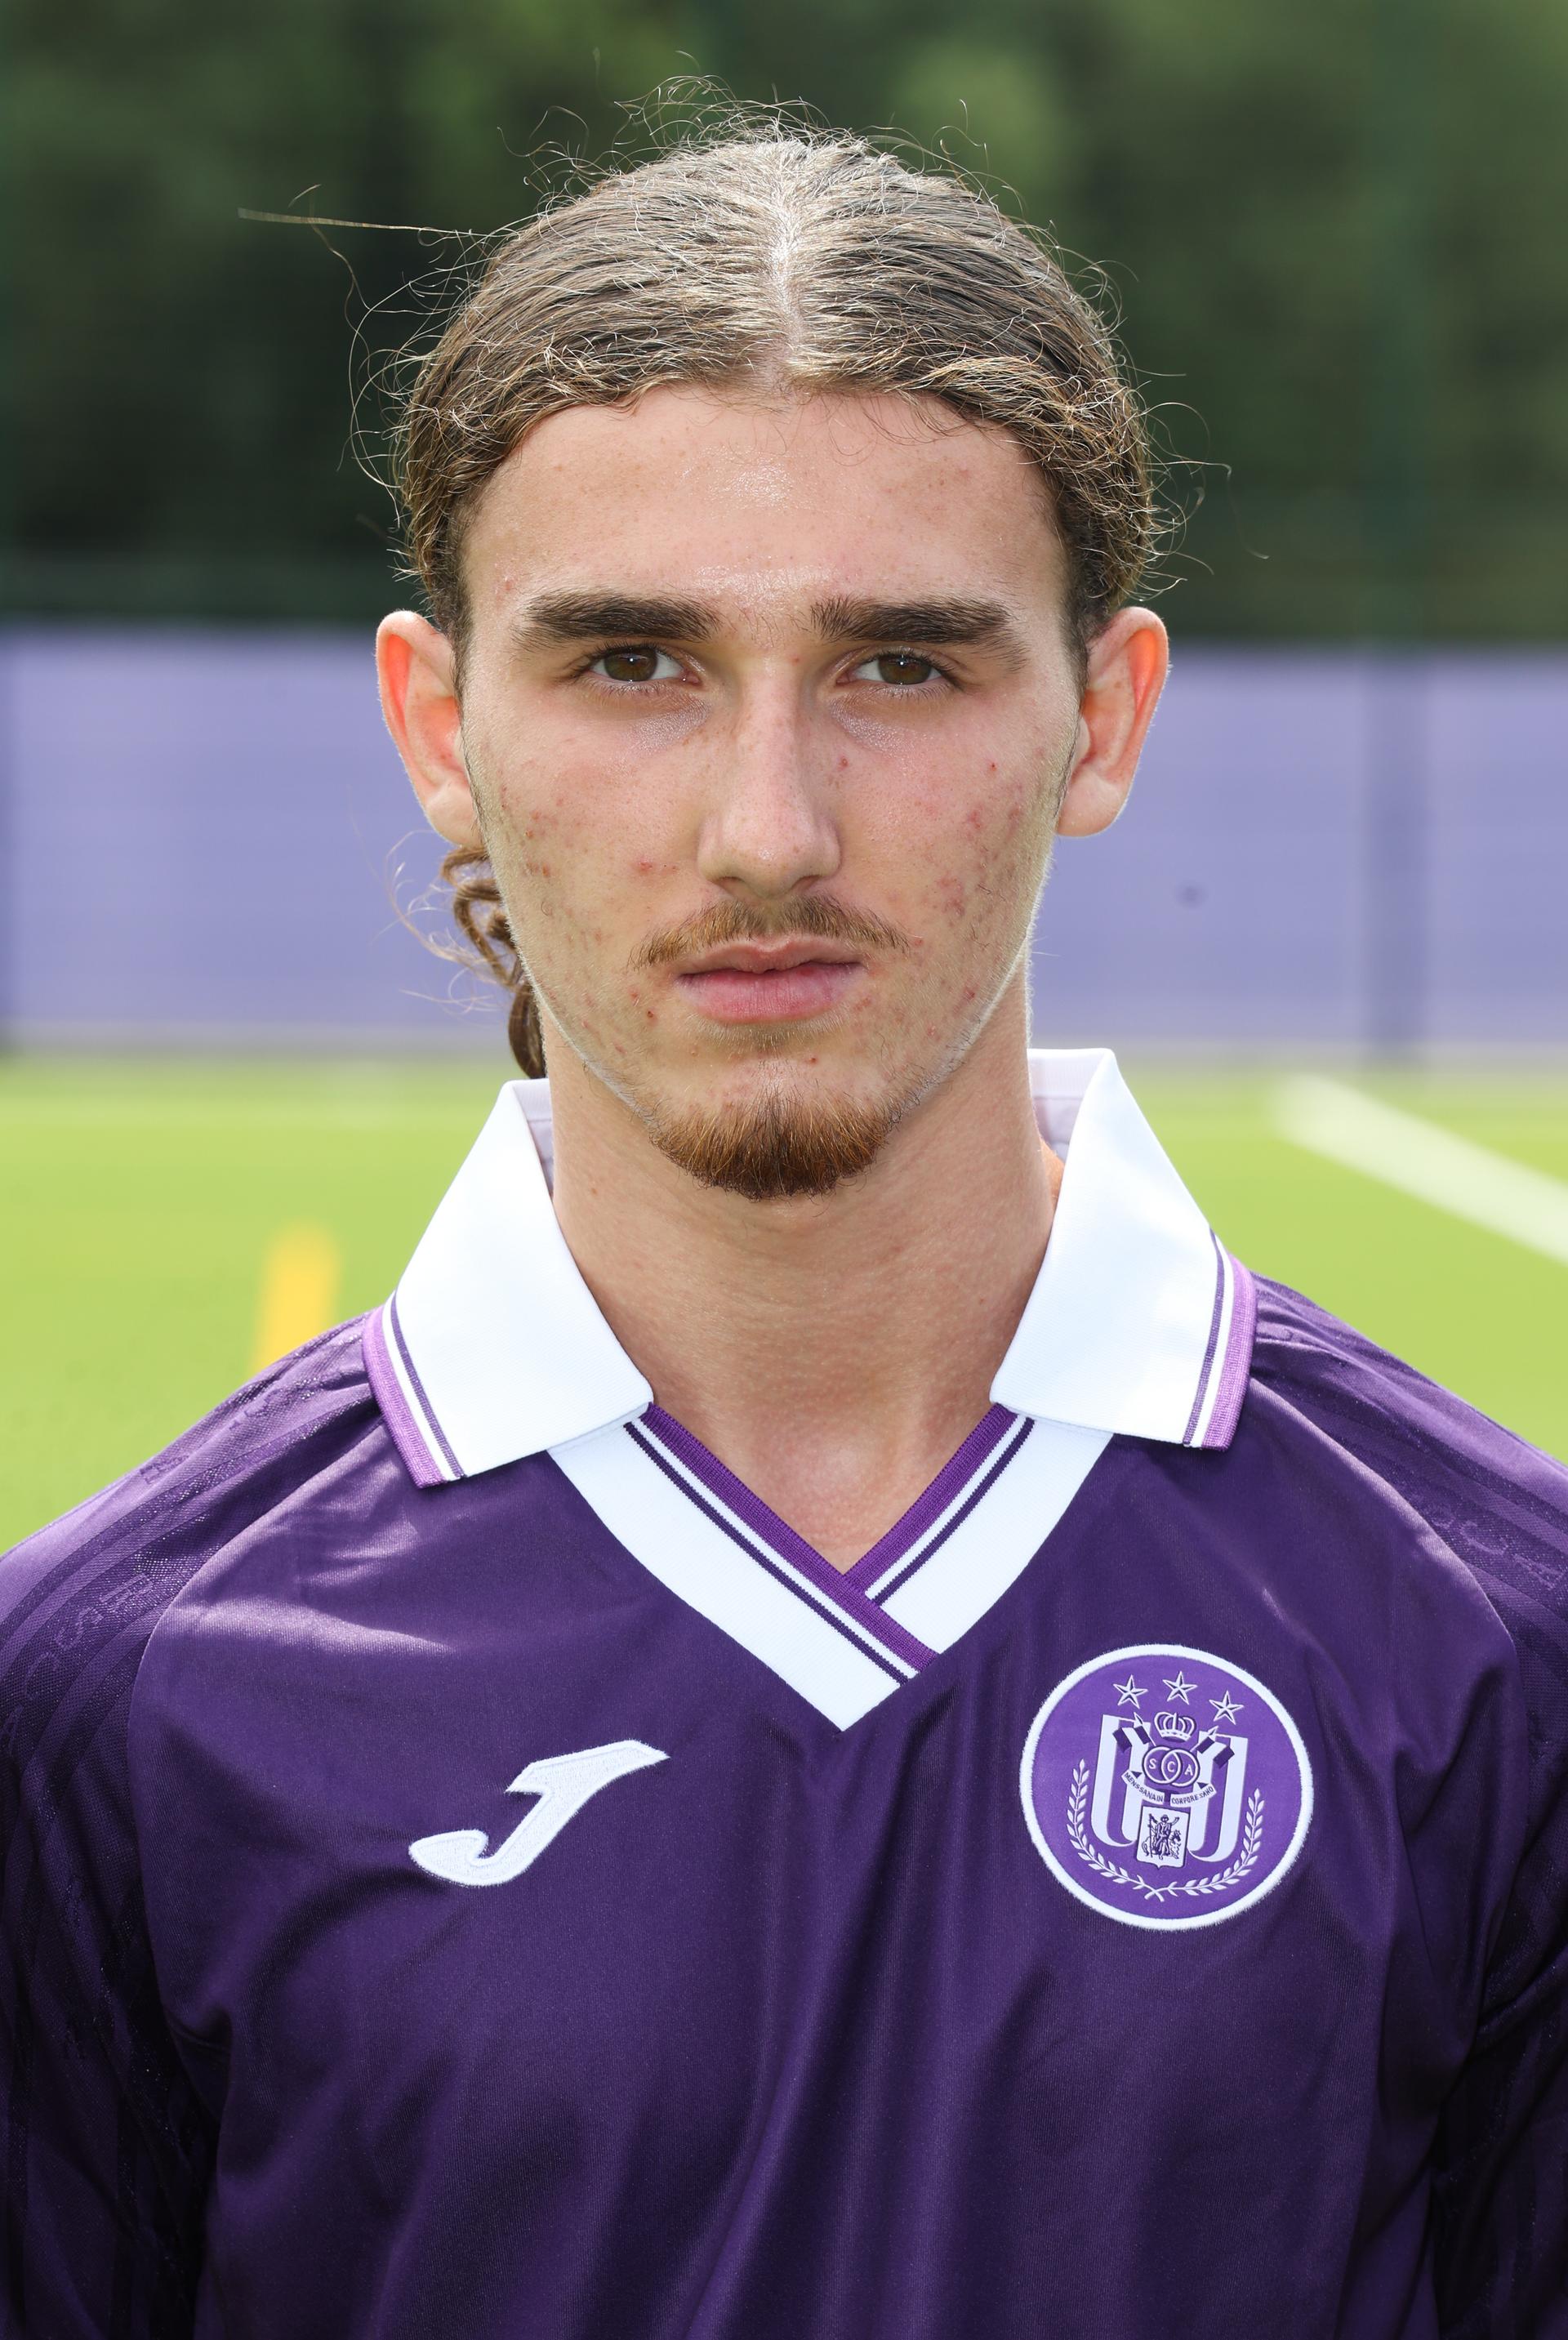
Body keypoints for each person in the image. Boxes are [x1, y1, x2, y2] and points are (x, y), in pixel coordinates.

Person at [2, 123, 1566, 2340]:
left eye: (902, 666)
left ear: (1102, 716)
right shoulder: (109, 1697)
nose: (767, 825)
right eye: (632, 663)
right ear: (439, 725)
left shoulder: (1496, 1641)